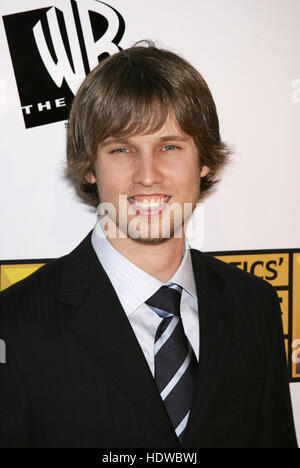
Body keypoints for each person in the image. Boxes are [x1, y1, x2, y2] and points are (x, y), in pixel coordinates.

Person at [0, 41, 297, 448]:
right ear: (91, 167)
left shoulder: (255, 306)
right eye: (122, 149)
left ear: (204, 160)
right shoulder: (15, 324)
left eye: (169, 147)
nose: (148, 175)